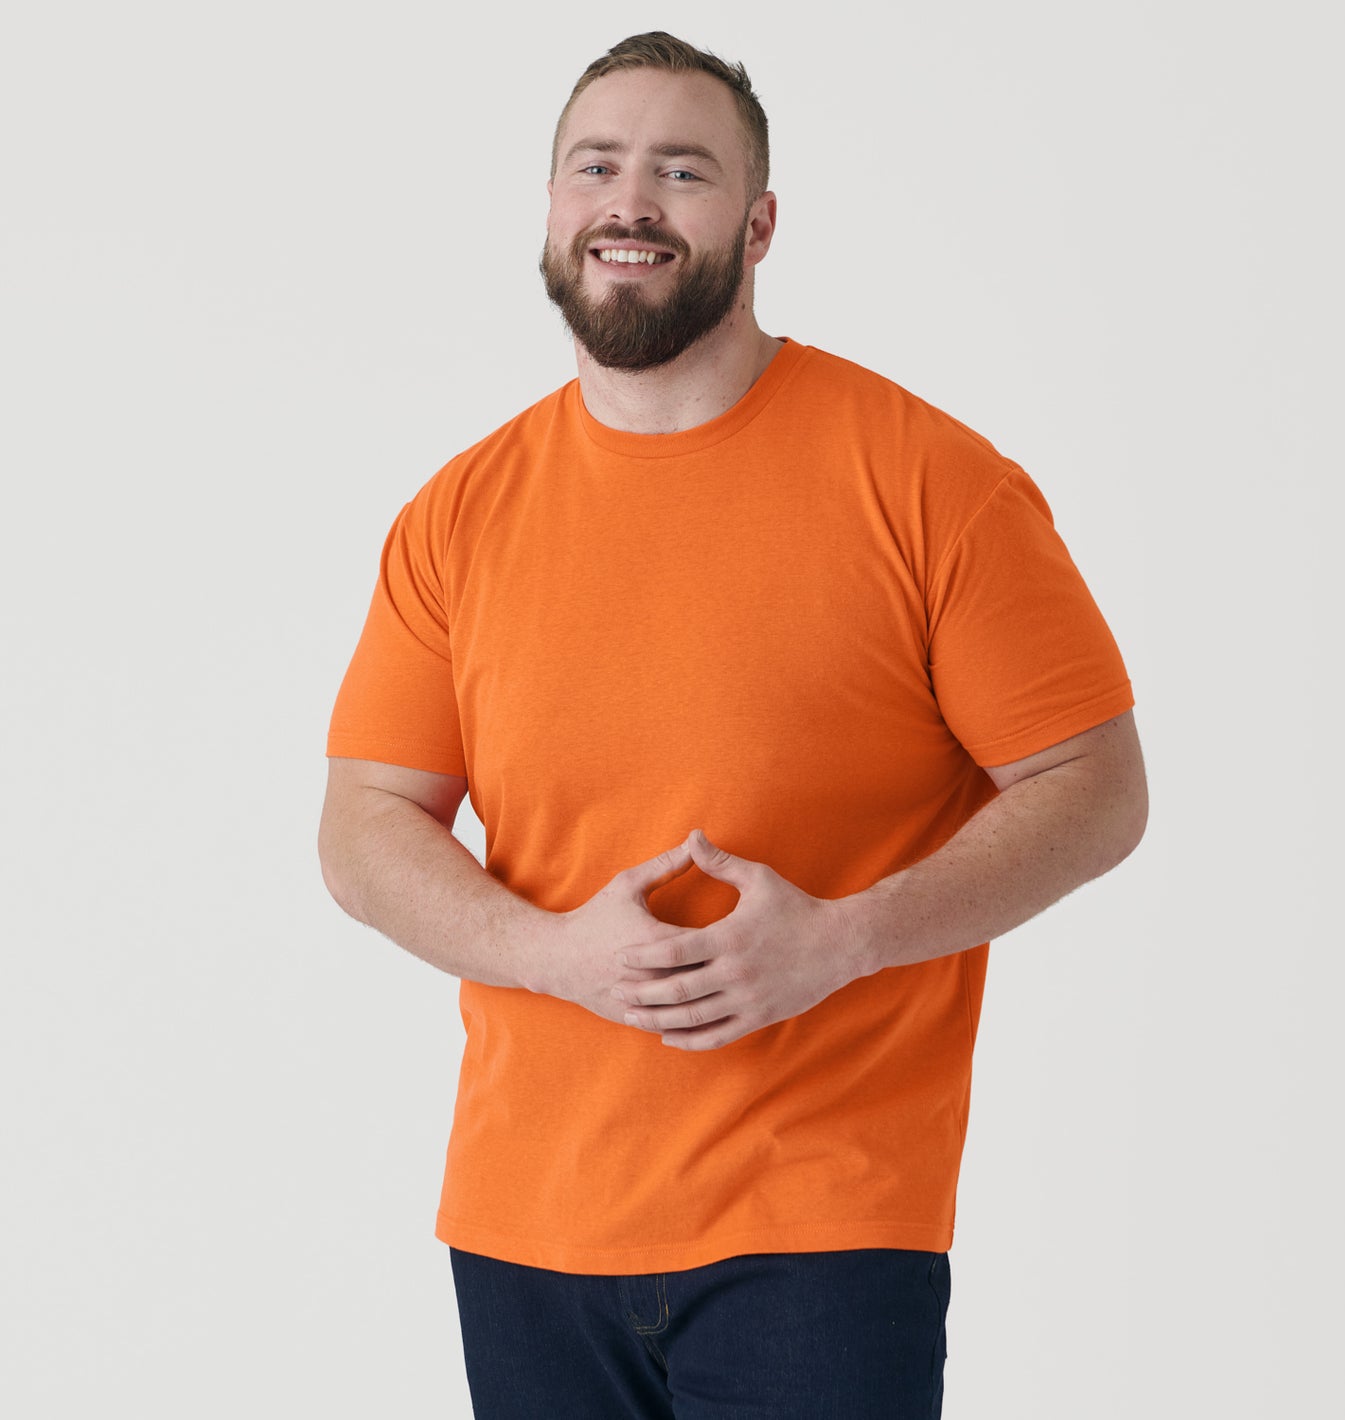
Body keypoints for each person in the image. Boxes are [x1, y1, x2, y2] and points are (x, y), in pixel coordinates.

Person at [319, 30, 1147, 1419]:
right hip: (527, 1224)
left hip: (823, 1227)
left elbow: (1096, 785)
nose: (630, 202)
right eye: (596, 166)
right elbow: (363, 825)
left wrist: (845, 939)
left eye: (682, 171)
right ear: (551, 208)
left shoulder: (931, 483)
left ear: (759, 225)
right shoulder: (459, 514)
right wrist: (550, 954)